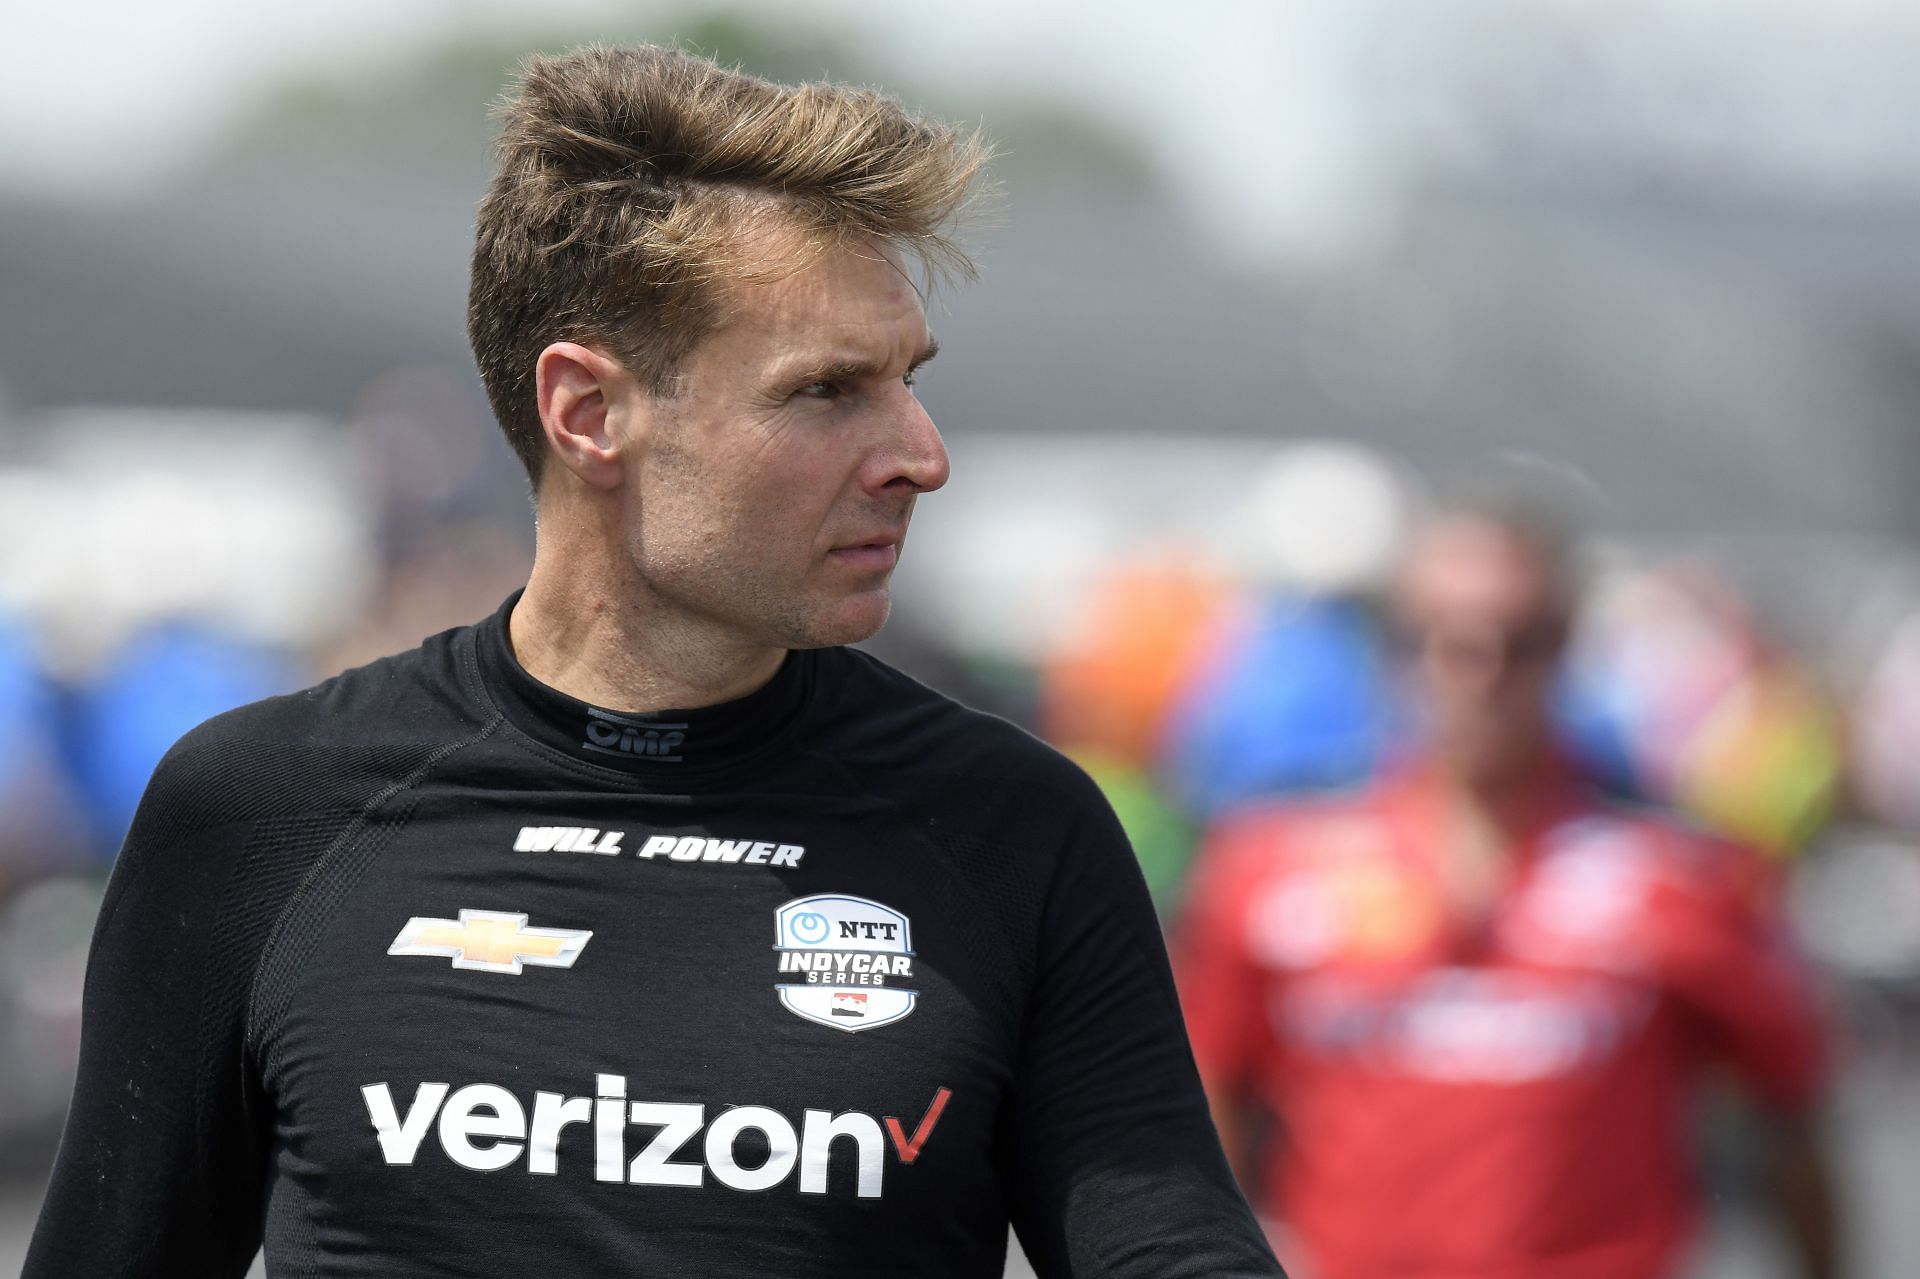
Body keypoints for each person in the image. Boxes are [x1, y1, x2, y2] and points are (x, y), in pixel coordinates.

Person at [26, 46, 1283, 1278]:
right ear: (589, 414)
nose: (920, 453)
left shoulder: (1013, 827)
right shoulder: (260, 809)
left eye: (907, 380)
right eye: (827, 391)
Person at [1174, 495, 1836, 1279]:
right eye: (1446, 641)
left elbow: (1790, 1113)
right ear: (1396, 650)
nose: (1482, 673)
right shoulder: (1270, 865)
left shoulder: (1684, 875)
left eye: (1518, 643)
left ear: (1564, 646)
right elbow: (1204, 1100)